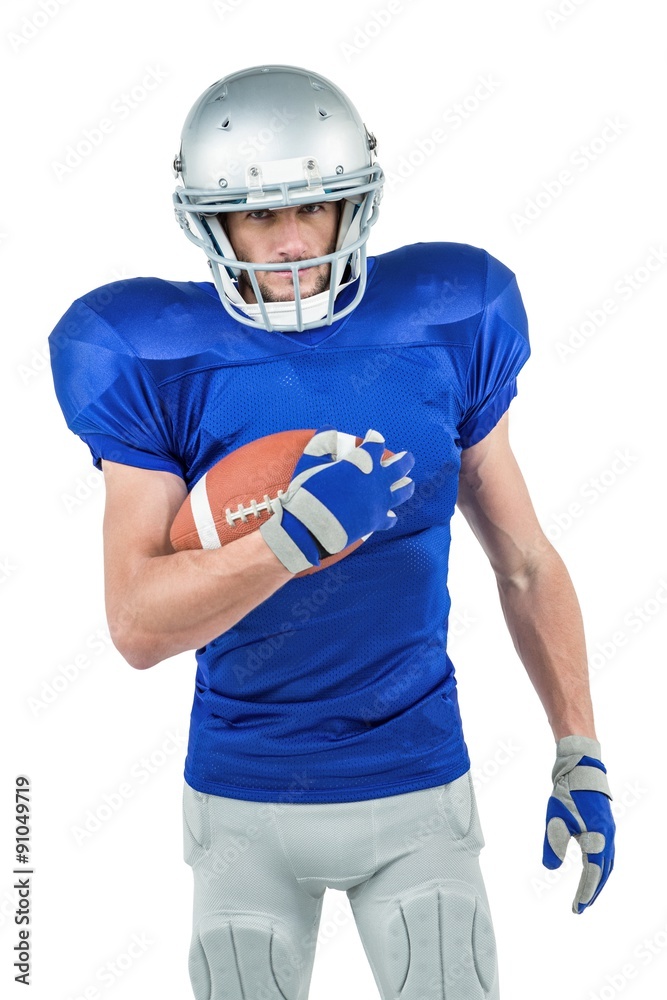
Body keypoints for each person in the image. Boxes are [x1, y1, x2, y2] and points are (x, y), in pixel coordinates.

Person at [49, 64, 615, 1000]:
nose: (289, 242)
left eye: (313, 207)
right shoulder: (150, 352)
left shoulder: (448, 318)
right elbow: (135, 624)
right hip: (242, 794)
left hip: (418, 781)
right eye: (257, 217)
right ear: (209, 223)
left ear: (356, 205)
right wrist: (286, 544)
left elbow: (522, 562)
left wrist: (578, 747)